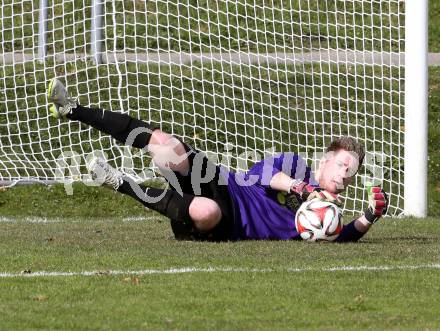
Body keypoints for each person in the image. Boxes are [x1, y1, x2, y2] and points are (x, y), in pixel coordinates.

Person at [47, 78, 388, 242]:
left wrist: (370, 216)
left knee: (204, 211)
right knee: (168, 146)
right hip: (224, 183)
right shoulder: (296, 165)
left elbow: (341, 237)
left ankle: (120, 183)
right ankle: (73, 110)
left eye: (351, 173)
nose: (345, 176)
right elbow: (262, 173)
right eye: (343, 166)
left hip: (227, 222)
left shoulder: (325, 217)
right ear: (327, 160)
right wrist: (301, 188)